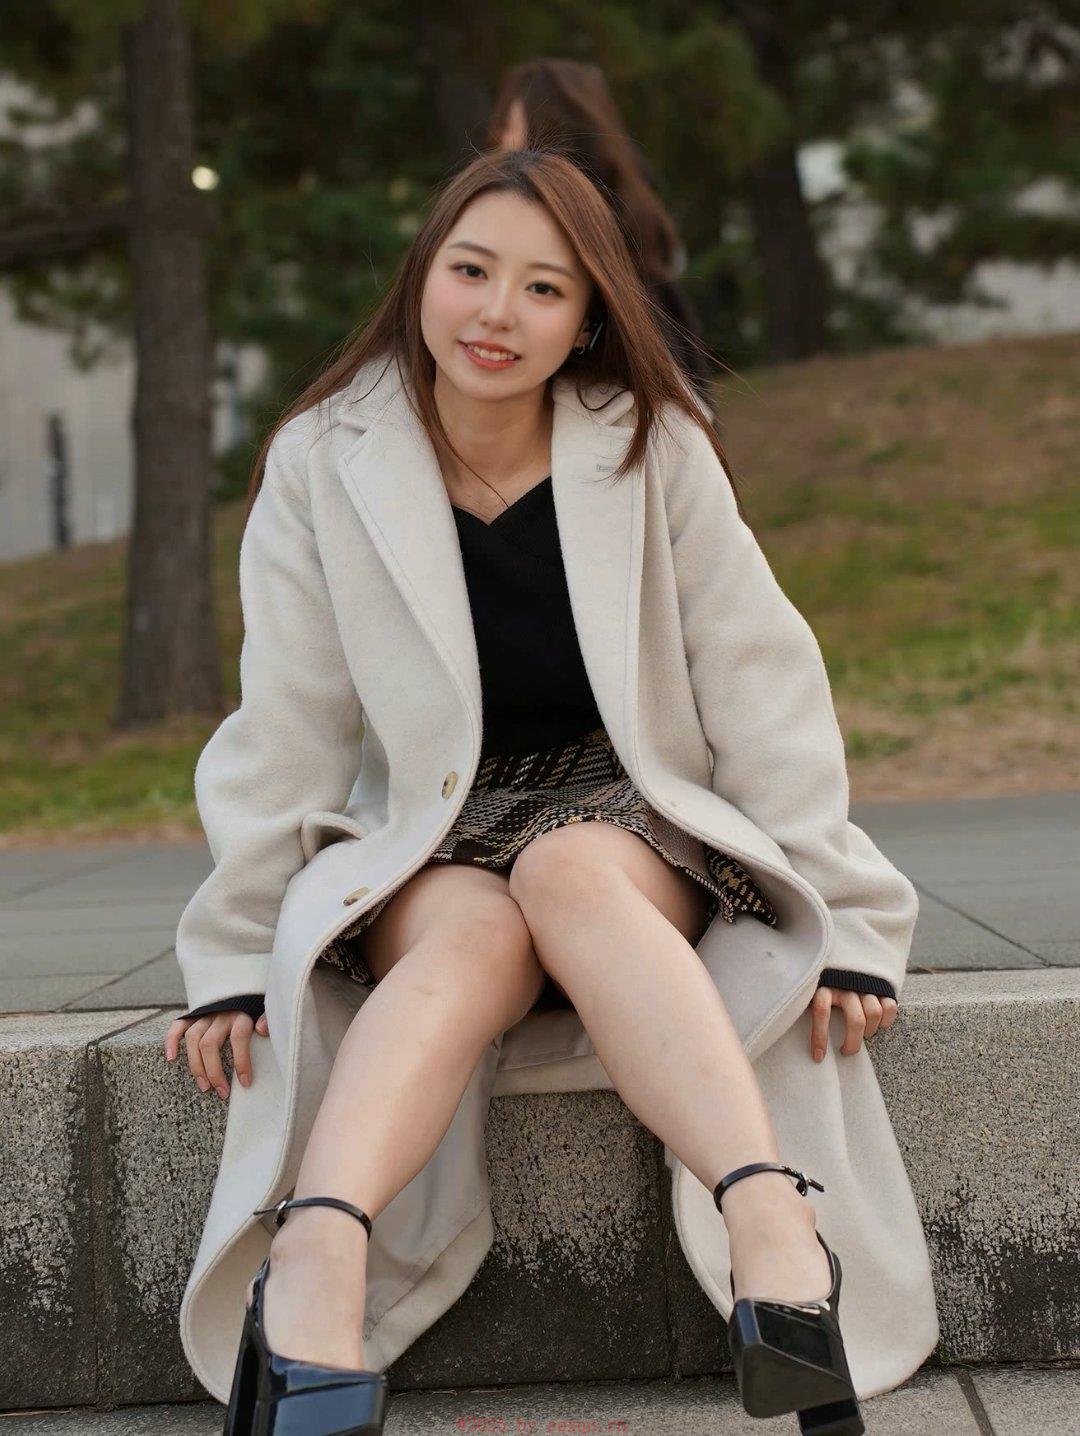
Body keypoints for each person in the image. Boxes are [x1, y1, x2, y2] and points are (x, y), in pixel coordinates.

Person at [164, 146, 923, 1434]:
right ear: (424, 274)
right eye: (470, 271)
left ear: (588, 321)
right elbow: (285, 722)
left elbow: (760, 681)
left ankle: (773, 1226)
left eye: (543, 289)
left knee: (568, 865)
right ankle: (318, 1258)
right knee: (474, 925)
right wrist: (235, 952)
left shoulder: (651, 443)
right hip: (436, 832)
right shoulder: (323, 456)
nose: (496, 314)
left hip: (625, 814)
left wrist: (846, 916)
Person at [488, 58, 719, 410]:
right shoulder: (635, 212)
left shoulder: (563, 228)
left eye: (508, 125)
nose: (500, 142)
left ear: (544, 127)